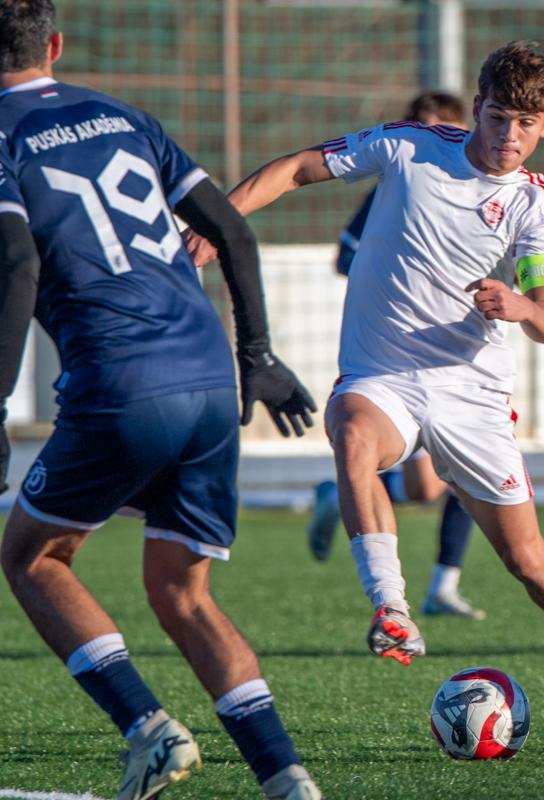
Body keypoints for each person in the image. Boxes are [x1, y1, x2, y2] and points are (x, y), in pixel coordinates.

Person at [187, 41, 544, 733]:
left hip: (470, 392)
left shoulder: (533, 206)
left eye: (526, 122)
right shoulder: (407, 148)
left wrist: (518, 306)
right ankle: (392, 607)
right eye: (498, 116)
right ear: (478, 108)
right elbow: (299, 167)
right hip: (383, 375)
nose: (508, 135)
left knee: (528, 561)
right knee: (352, 427)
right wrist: (219, 222)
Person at [0, 2, 322, 798]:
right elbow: (233, 233)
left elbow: (14, 264)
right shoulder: (123, 115)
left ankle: (148, 729)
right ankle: (286, 778)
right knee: (182, 590)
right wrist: (259, 358)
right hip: (212, 376)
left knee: (31, 556)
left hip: (121, 383)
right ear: (57, 46)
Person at [306, 90, 484, 620]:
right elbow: (343, 254)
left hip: (459, 356)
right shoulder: (395, 185)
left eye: (442, 128)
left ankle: (442, 586)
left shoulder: (489, 189)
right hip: (395, 361)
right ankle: (343, 490)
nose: (430, 138)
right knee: (429, 486)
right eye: (421, 125)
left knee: (464, 471)